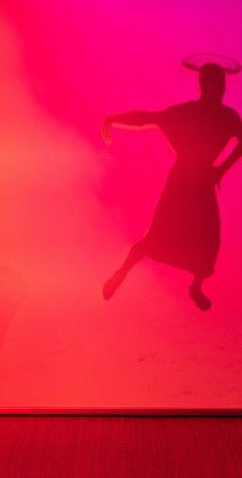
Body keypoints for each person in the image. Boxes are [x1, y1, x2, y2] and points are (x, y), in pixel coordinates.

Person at [102, 61, 242, 310]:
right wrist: (113, 119)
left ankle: (196, 286)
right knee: (157, 236)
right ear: (205, 86)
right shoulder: (188, 112)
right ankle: (121, 273)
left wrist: (221, 169)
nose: (218, 89)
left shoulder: (228, 117)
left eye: (221, 84)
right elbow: (147, 118)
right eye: (214, 84)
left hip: (202, 183)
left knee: (208, 240)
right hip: (182, 182)